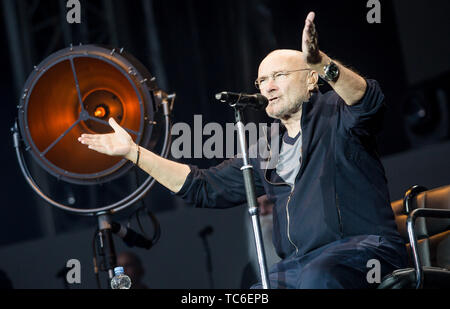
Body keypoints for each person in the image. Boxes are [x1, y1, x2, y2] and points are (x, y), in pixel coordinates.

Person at [78, 12, 408, 288]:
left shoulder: (337, 113)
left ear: (311, 80)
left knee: (319, 277)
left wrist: (323, 63)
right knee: (256, 289)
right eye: (262, 81)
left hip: (364, 250)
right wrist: (134, 152)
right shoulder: (267, 149)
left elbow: (368, 100)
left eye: (279, 75)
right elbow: (203, 187)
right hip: (302, 265)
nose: (268, 86)